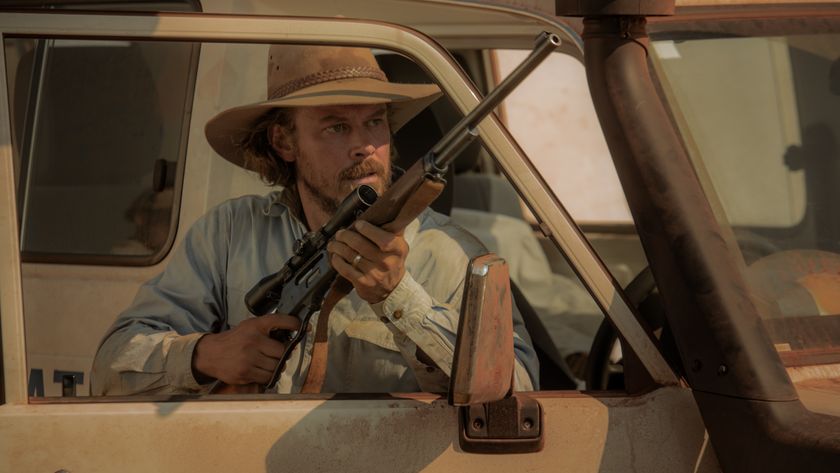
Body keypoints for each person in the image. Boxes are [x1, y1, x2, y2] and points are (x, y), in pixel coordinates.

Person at [91, 44, 538, 395]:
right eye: (336, 127)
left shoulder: (453, 252)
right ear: (284, 142)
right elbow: (110, 366)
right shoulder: (228, 233)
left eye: (375, 123)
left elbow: (514, 390)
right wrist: (206, 355)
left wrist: (401, 300)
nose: (364, 147)